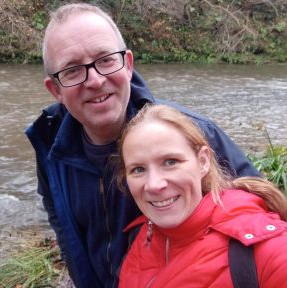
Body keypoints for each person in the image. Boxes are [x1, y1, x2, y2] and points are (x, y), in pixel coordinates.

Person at [25, 3, 260, 288]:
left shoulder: (191, 133)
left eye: (106, 59)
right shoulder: (49, 145)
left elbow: (255, 218)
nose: (96, 80)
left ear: (128, 64)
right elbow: (62, 224)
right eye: (73, 71)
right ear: (55, 89)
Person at [117, 104, 287, 288]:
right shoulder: (141, 236)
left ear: (203, 161)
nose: (154, 185)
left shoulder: (268, 252)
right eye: (138, 169)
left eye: (170, 162)